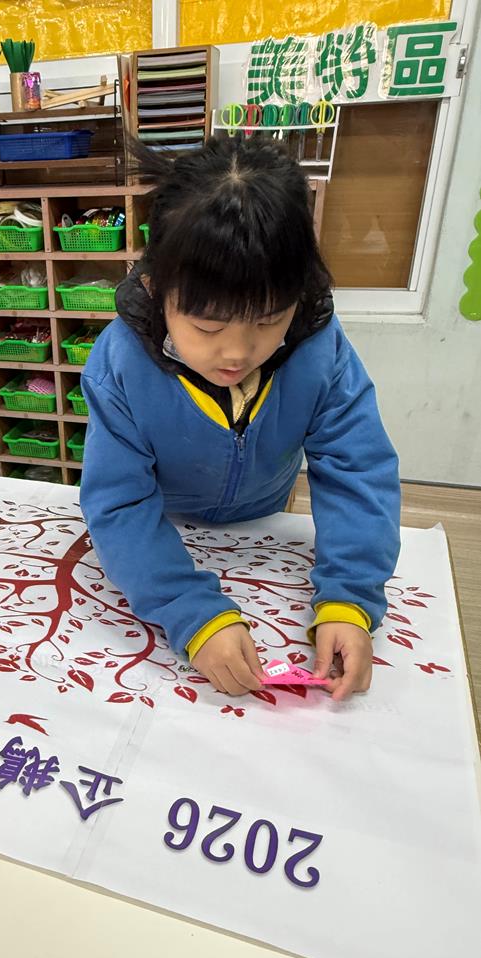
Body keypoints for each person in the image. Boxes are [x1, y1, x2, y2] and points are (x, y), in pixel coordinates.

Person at [79, 136, 401, 702]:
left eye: (269, 319)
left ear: (300, 293)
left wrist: (350, 599)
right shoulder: (121, 362)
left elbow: (357, 470)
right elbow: (120, 503)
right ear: (155, 287)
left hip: (266, 525)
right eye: (207, 327)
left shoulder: (320, 349)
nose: (236, 353)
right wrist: (191, 612)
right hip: (166, 531)